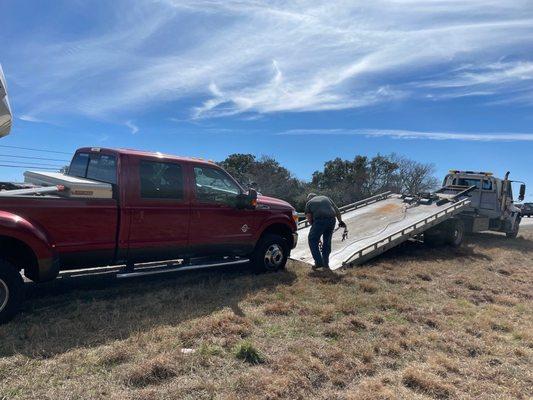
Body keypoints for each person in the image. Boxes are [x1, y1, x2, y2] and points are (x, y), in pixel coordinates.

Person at [305, 193, 346, 270]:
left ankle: (319, 263)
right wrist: (340, 221)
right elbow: (337, 210)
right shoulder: (326, 198)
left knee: (312, 240)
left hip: (319, 220)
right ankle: (326, 264)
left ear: (309, 198)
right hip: (331, 220)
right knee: (327, 242)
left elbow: (309, 218)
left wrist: (314, 228)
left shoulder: (309, 203)